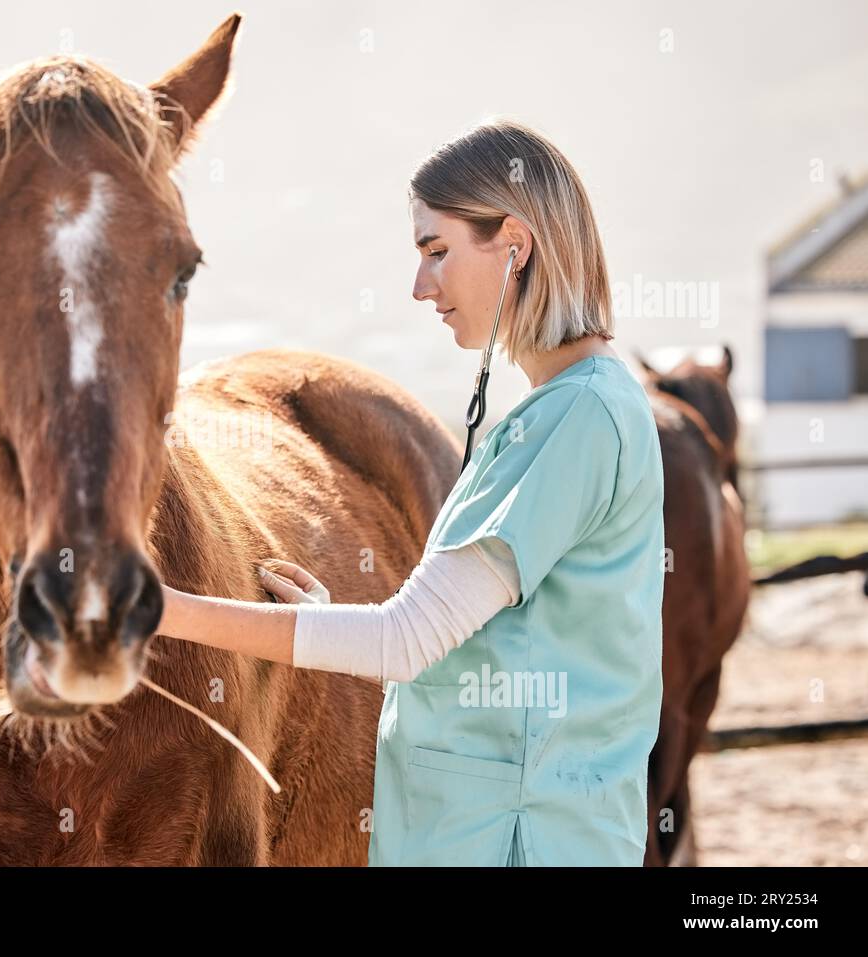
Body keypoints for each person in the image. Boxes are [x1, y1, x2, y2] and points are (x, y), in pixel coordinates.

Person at [154, 118, 665, 866]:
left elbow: (405, 639)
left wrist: (157, 611)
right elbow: (479, 644)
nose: (421, 286)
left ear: (514, 245)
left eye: (436, 252)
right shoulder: (573, 407)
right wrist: (327, 622)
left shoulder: (577, 417)